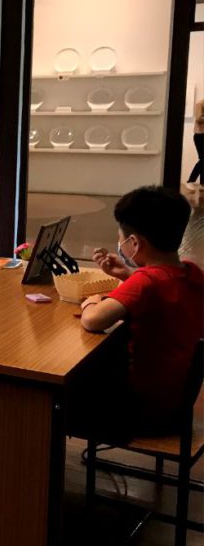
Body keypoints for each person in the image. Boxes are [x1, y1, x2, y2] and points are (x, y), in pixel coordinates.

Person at [75, 186, 203, 439]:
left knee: (57, 391)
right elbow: (162, 286)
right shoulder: (191, 272)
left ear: (134, 243)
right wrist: (126, 274)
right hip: (175, 403)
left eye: (122, 239)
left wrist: (90, 301)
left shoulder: (147, 281)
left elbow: (93, 320)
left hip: (137, 411)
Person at [187, 95, 204, 190]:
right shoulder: (200, 104)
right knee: (203, 159)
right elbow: (198, 118)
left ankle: (202, 183)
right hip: (200, 135)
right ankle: (191, 181)